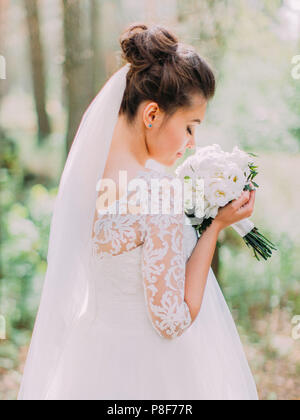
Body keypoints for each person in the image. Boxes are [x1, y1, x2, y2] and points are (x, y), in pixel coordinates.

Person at [18, 23, 258, 400]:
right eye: (190, 127)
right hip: (151, 372)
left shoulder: (89, 173)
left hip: (90, 359)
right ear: (151, 115)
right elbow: (172, 319)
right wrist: (214, 229)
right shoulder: (156, 189)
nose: (193, 144)